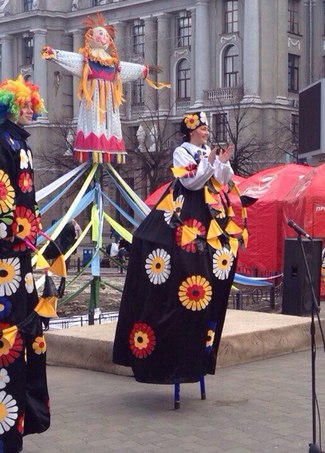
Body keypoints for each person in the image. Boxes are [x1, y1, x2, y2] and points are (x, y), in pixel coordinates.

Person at [113, 111, 248, 388]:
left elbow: (221, 182)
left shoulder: (206, 151)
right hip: (185, 210)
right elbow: (190, 182)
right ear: (191, 130)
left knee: (217, 255)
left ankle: (199, 336)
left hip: (207, 212)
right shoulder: (182, 152)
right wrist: (209, 163)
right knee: (165, 248)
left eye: (207, 128)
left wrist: (221, 163)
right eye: (203, 128)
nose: (207, 132)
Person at [0, 76, 51, 451]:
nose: (32, 108)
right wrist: (10, 232)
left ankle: (15, 424)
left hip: (18, 255)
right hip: (7, 258)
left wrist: (30, 229)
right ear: (12, 104)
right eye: (26, 102)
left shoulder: (20, 142)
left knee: (19, 331)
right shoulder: (4, 140)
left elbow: (24, 196)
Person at [41, 13, 164, 164]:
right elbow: (71, 59)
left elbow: (128, 69)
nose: (104, 37)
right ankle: (94, 149)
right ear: (90, 37)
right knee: (92, 121)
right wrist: (54, 54)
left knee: (110, 122)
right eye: (100, 34)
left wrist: (144, 70)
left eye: (107, 35)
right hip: (93, 99)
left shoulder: (113, 63)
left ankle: (106, 149)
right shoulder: (86, 59)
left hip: (109, 102)